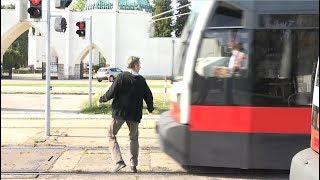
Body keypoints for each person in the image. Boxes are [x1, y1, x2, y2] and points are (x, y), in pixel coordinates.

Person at [99, 56, 154, 173]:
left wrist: (102, 99)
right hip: (134, 115)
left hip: (120, 113)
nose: (140, 66)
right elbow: (148, 95)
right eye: (139, 64)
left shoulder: (121, 77)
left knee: (111, 134)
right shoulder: (141, 80)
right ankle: (133, 165)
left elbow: (111, 92)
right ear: (134, 65)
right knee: (134, 138)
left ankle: (119, 162)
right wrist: (150, 108)